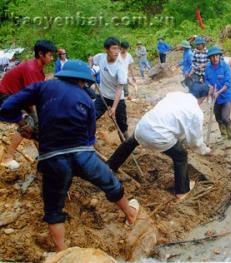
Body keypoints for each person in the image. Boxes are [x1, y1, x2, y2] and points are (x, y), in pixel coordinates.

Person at [0, 60, 139, 252]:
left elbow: (6, 107)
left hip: (53, 159)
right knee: (111, 183)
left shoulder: (41, 87)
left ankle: (61, 251)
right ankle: (131, 215)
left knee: (53, 209)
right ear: (81, 81)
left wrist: (22, 122)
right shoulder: (85, 99)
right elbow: (90, 138)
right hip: (84, 156)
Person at [107, 91, 211, 200]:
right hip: (159, 136)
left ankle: (110, 166)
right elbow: (195, 142)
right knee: (181, 155)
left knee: (130, 143)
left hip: (144, 125)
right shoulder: (196, 112)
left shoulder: (176, 94)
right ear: (203, 98)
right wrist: (204, 150)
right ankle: (182, 191)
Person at [0, 39, 56, 170]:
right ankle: (8, 158)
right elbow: (34, 99)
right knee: (28, 124)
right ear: (41, 54)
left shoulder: (39, 70)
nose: (52, 58)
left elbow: (36, 97)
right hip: (6, 96)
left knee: (39, 128)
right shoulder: (31, 69)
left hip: (20, 97)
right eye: (50, 55)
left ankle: (44, 158)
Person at [91, 37, 128, 137]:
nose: (117, 52)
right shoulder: (100, 57)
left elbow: (119, 88)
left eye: (118, 49)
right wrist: (91, 70)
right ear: (106, 50)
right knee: (91, 116)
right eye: (114, 48)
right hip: (102, 95)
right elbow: (91, 59)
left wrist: (114, 108)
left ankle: (126, 142)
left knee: (122, 125)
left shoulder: (121, 66)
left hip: (117, 98)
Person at [205, 47, 231, 142]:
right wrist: (211, 88)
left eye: (216, 56)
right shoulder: (208, 68)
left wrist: (218, 92)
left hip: (226, 96)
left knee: (225, 117)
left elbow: (228, 83)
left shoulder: (226, 66)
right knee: (218, 117)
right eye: (212, 56)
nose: (215, 58)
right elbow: (206, 80)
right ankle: (224, 135)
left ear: (219, 56)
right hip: (214, 97)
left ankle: (230, 138)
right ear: (209, 58)